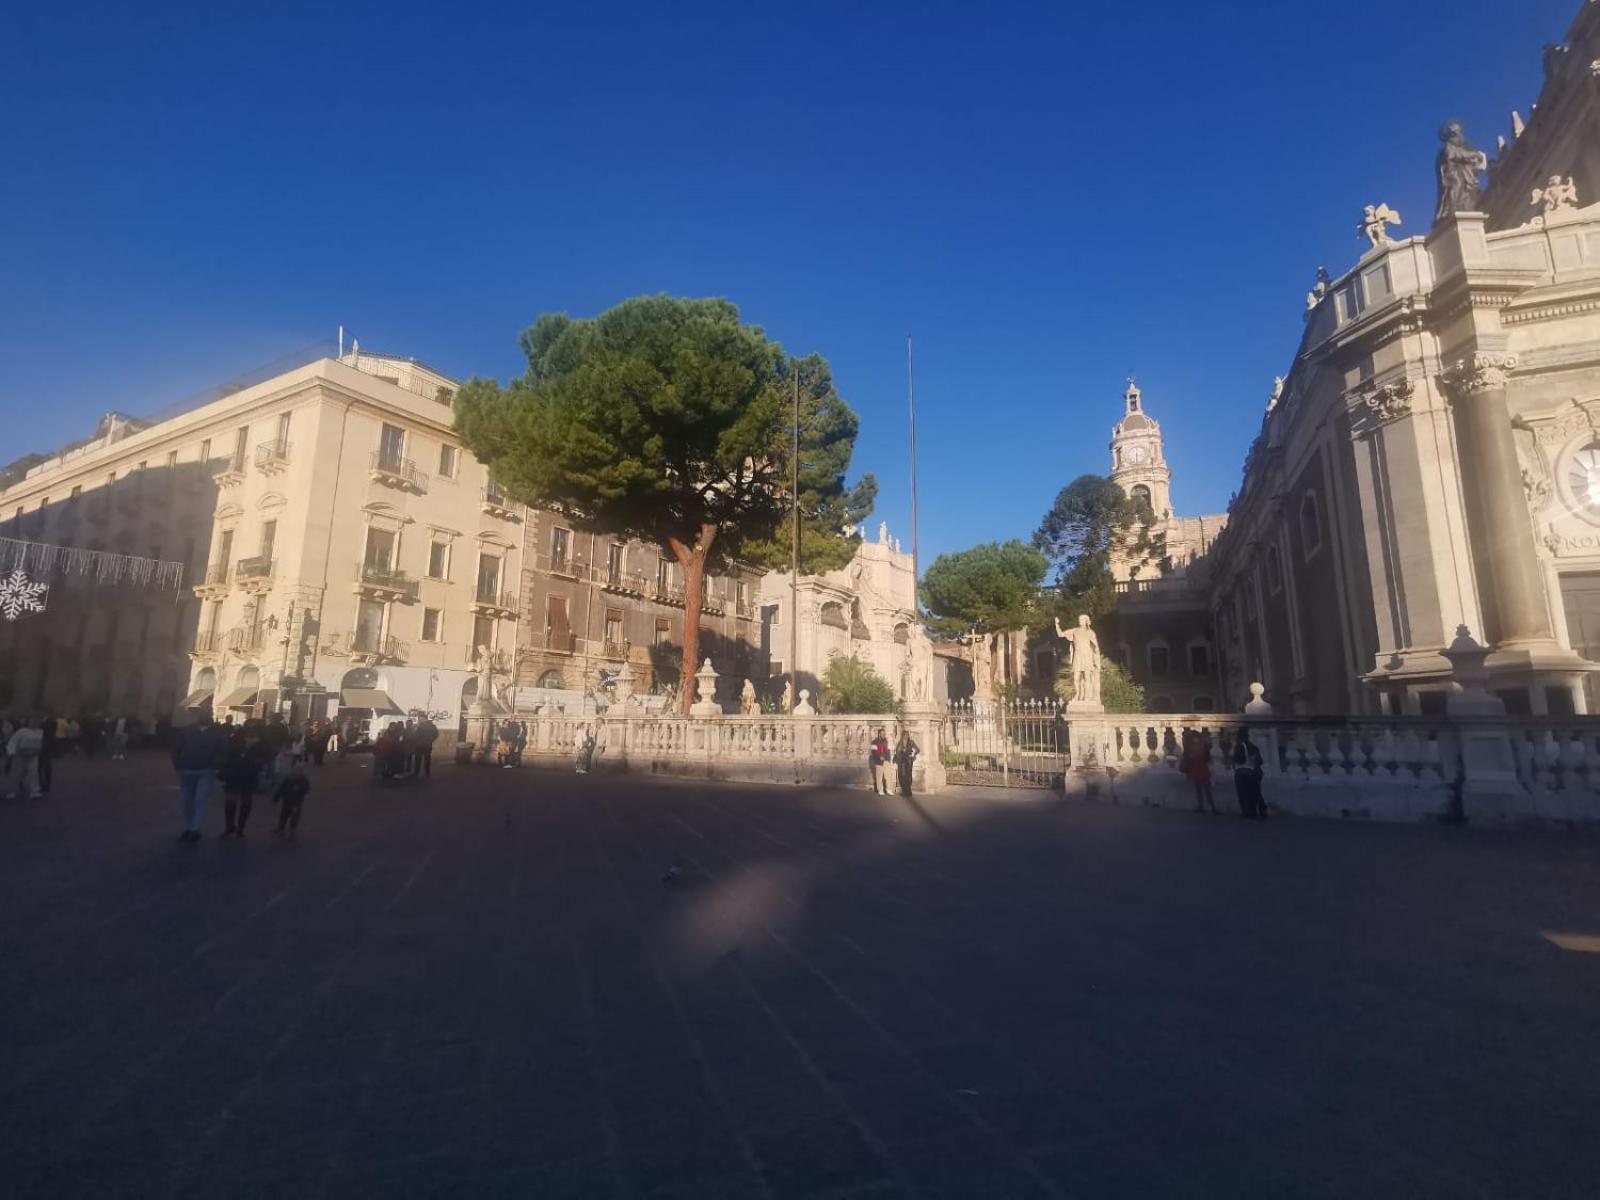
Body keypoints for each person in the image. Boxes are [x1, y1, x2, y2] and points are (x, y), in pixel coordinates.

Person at [170, 715, 224, 843]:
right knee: (187, 801)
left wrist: (217, 765)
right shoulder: (187, 731)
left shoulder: (216, 732)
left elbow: (222, 750)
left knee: (200, 799)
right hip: (187, 769)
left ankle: (195, 829)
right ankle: (190, 827)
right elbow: (177, 748)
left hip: (205, 769)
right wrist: (177, 764)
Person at [219, 730, 260, 838]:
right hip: (242, 776)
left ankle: (234, 827)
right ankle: (235, 827)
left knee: (236, 803)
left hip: (239, 776)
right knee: (239, 803)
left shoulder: (256, 747)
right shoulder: (241, 746)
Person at [5, 718, 44, 800]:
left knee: (33, 773)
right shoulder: (21, 731)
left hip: (33, 756)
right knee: (17, 774)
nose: (34, 724)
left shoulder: (40, 731)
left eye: (36, 722)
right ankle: (12, 791)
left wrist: (39, 751)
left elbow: (41, 743)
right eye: (32, 722)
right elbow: (13, 741)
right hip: (20, 756)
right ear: (28, 722)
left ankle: (35, 791)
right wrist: (11, 753)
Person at [1232, 728, 1266, 820]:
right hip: (1254, 772)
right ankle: (1261, 812)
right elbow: (1260, 761)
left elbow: (1240, 759)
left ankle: (1248, 813)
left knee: (1243, 794)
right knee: (1256, 793)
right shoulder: (1253, 746)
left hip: (1243, 772)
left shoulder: (1239, 746)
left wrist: (1233, 759)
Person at [1182, 730, 1219, 814]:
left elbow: (1188, 760)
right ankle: (1212, 808)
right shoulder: (1202, 746)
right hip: (1202, 770)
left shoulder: (1190, 748)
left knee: (1200, 790)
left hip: (1197, 770)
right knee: (1206, 790)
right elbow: (1207, 758)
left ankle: (1202, 807)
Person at [273, 762, 311, 836]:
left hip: (296, 802)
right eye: (295, 770)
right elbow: (281, 788)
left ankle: (292, 829)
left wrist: (300, 788)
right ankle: (281, 827)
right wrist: (276, 797)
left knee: (294, 815)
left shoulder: (303, 779)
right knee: (284, 814)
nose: (297, 772)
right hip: (287, 800)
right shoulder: (288, 778)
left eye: (299, 770)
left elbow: (306, 788)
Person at [894, 729, 919, 798]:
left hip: (908, 761)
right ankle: (904, 790)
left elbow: (917, 750)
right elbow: (896, 752)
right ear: (902, 736)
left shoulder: (911, 742)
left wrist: (913, 755)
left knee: (908, 776)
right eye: (904, 735)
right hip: (901, 761)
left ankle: (908, 791)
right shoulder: (900, 743)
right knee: (901, 775)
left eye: (907, 735)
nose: (906, 736)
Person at [868, 728, 891, 795]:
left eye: (884, 734)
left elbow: (888, 751)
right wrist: (879, 757)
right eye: (882, 734)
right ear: (879, 734)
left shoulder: (886, 741)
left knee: (887, 776)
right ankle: (880, 790)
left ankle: (888, 789)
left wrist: (888, 759)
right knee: (879, 776)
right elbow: (873, 752)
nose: (884, 735)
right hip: (879, 761)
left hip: (886, 760)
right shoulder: (874, 742)